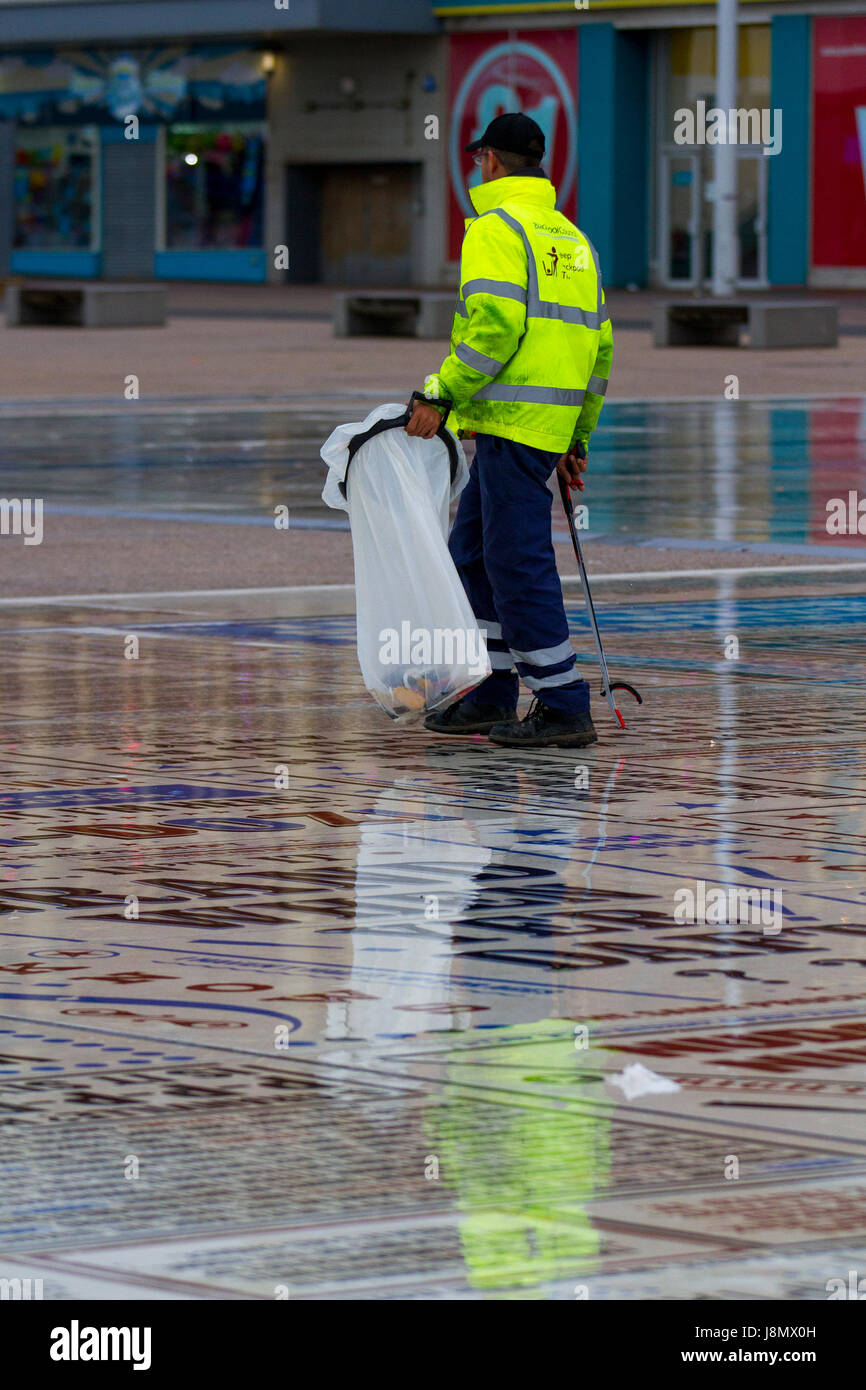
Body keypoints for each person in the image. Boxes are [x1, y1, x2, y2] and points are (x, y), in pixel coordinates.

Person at [406, 112, 613, 748]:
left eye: (477, 159)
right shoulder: (573, 239)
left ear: (492, 161)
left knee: (514, 561)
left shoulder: (496, 228)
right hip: (537, 427)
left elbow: (493, 329)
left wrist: (438, 393)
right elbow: (599, 347)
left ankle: (563, 701)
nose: (476, 169)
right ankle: (495, 689)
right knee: (471, 552)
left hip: (513, 424)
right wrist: (576, 436)